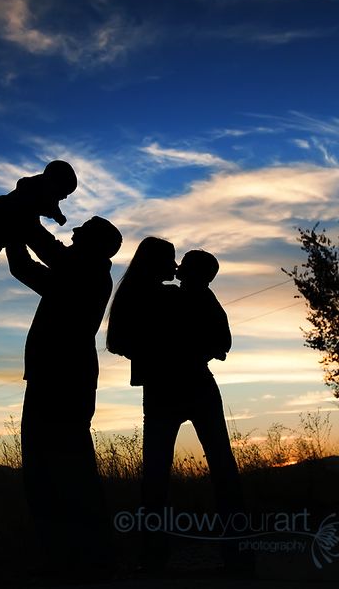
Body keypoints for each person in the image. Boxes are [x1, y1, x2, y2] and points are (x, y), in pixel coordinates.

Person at [107, 240, 244, 572]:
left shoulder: (168, 295)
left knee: (158, 475)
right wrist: (189, 350)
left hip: (167, 389)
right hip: (187, 385)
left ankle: (156, 555)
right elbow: (221, 340)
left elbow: (119, 343)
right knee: (218, 468)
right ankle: (236, 554)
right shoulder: (174, 296)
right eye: (171, 260)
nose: (176, 267)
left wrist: (160, 353)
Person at [6, 215, 122, 580]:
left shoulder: (84, 270)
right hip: (57, 377)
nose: (73, 232)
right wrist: (13, 232)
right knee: (54, 467)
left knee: (60, 468)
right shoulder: (77, 272)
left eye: (82, 231)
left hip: (61, 378)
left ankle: (84, 556)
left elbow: (44, 251)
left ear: (94, 244)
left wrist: (18, 219)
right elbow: (24, 268)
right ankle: (73, 555)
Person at [0, 160, 77, 283]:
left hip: (19, 219)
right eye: (64, 192)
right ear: (52, 182)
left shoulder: (50, 197)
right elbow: (24, 188)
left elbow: (52, 208)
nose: (64, 197)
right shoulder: (31, 186)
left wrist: (58, 215)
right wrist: (54, 214)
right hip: (0, 212)